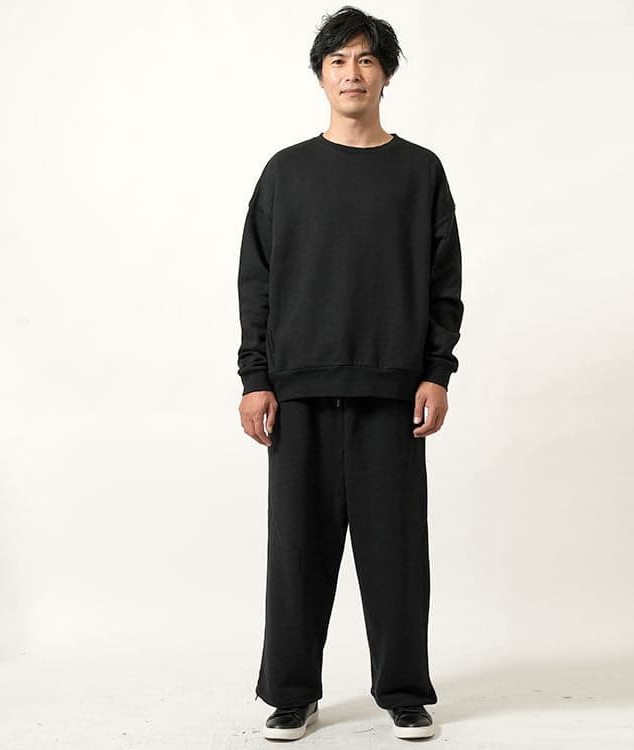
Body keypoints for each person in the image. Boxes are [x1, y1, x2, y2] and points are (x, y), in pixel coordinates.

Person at [236, 6, 464, 742]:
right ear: (320, 75)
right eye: (338, 60)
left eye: (366, 59)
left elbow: (444, 283)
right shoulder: (286, 173)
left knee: (396, 555)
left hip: (391, 393)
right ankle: (291, 693)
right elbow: (256, 284)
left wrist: (436, 371)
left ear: (386, 74)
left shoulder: (420, 171)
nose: (352, 73)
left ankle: (403, 691)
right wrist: (255, 378)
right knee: (296, 555)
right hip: (297, 393)